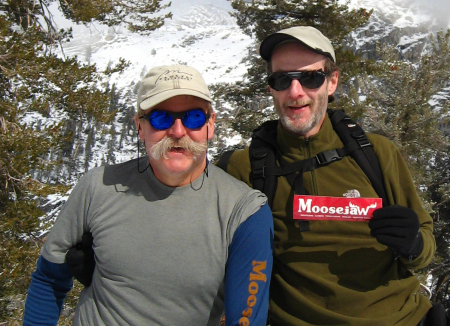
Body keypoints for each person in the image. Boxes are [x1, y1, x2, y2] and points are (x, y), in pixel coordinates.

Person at [23, 64, 274, 326]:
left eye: (194, 118)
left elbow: (245, 320)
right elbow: (49, 280)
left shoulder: (244, 213)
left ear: (210, 125)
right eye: (161, 118)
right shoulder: (97, 187)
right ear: (140, 127)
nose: (178, 131)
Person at [222, 26, 440, 325]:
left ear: (332, 81)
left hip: (401, 318)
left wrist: (412, 242)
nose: (295, 92)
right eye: (282, 79)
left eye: (311, 78)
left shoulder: (376, 154)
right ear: (270, 87)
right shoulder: (244, 168)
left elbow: (425, 252)